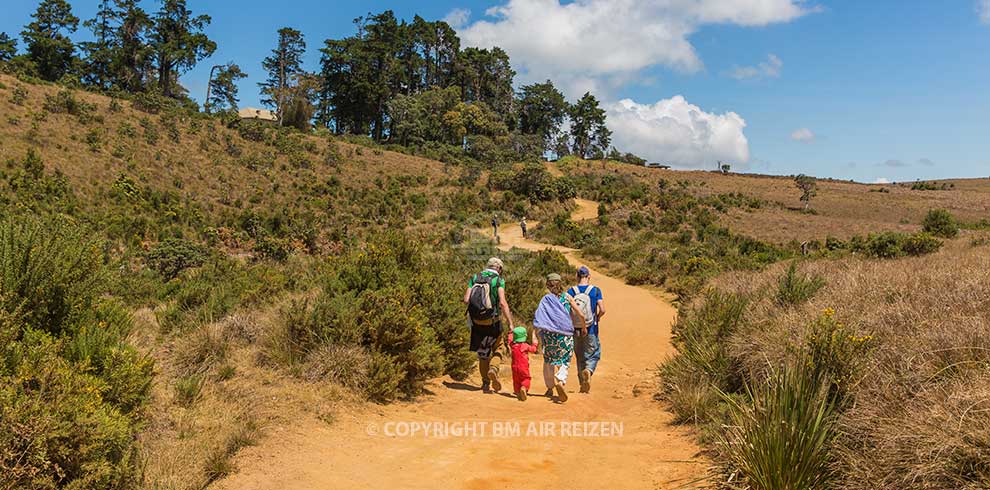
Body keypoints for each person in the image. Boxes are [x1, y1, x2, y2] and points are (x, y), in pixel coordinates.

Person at [464, 257, 516, 393]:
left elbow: (466, 300)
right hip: (493, 322)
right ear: (499, 268)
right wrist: (510, 323)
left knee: (483, 353)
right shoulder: (499, 281)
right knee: (500, 347)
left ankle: (485, 384)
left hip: (477, 322)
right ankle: (493, 368)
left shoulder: (475, 277)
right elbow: (503, 303)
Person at [532, 273, 584, 403]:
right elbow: (581, 314)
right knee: (565, 360)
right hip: (565, 335)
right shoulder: (567, 297)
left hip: (549, 335)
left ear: (548, 285)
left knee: (549, 360)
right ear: (560, 284)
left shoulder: (546, 299)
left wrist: (534, 334)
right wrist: (583, 327)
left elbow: (539, 318)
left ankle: (550, 388)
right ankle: (560, 381)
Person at [568, 266, 605, 393]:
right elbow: (603, 309)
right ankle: (588, 371)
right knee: (594, 354)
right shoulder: (595, 291)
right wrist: (598, 318)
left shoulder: (571, 291)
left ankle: (582, 383)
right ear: (588, 276)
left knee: (580, 356)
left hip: (575, 329)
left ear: (577, 276)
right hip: (591, 328)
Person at [509, 326, 538, 401]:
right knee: (526, 379)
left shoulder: (512, 345)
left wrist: (510, 333)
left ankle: (518, 392)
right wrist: (535, 343)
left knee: (516, 380)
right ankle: (524, 388)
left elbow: (509, 340)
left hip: (514, 367)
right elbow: (533, 349)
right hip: (523, 367)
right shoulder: (525, 346)